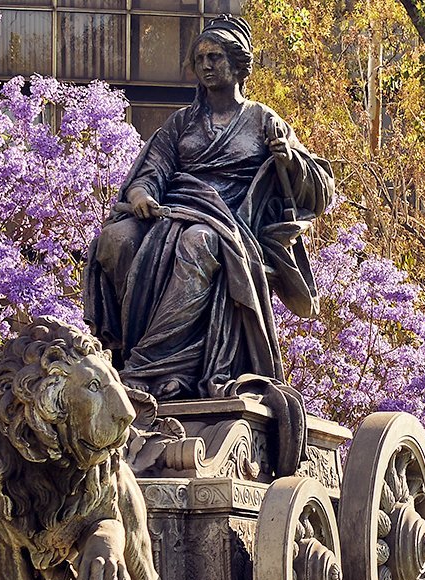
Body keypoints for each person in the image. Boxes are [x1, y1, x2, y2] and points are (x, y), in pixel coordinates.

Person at [84, 15, 335, 405]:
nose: (205, 65)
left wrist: (287, 159)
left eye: (215, 57)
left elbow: (320, 190)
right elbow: (152, 171)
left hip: (232, 223)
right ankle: (123, 347)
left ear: (238, 65)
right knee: (115, 239)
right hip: (175, 211)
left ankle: (155, 366)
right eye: (200, 58)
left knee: (198, 243)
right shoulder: (181, 123)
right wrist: (142, 195)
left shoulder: (262, 120)